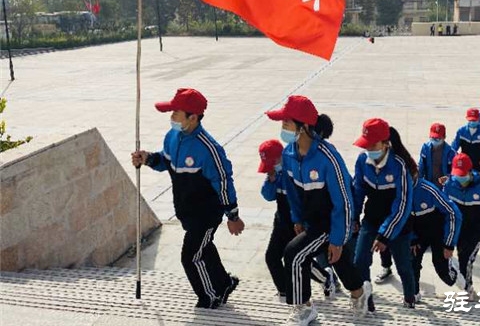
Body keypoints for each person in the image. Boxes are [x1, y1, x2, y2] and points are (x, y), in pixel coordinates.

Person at [131, 88, 243, 309]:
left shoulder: (209, 149)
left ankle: (209, 297)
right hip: (185, 210)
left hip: (206, 214)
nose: (171, 118)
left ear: (192, 118)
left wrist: (232, 215)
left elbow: (223, 182)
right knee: (204, 248)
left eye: (175, 113)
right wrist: (147, 159)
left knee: (191, 256)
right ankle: (225, 283)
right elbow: (165, 161)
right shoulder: (172, 136)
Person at [266, 95, 370, 325]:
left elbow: (343, 201)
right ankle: (360, 292)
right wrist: (297, 218)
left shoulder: (327, 158)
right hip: (310, 220)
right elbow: (292, 192)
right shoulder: (289, 154)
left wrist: (338, 238)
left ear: (303, 127)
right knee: (338, 262)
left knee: (293, 254)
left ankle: (304, 309)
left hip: (331, 221)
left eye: (286, 123)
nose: (282, 128)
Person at [259, 140, 337, 303]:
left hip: (297, 226)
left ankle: (325, 278)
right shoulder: (275, 174)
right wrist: (271, 179)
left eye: (272, 164)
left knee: (300, 261)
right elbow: (268, 196)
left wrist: (301, 222)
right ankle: (285, 291)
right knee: (271, 257)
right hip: (281, 222)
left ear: (280, 158)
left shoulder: (294, 171)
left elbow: (301, 201)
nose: (270, 168)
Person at [352, 118, 416, 308]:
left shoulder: (400, 166)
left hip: (398, 225)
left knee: (404, 266)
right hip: (371, 220)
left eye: (373, 144)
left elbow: (402, 205)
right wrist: (354, 217)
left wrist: (385, 235)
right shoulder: (363, 161)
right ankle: (367, 302)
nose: (369, 149)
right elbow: (358, 190)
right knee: (360, 262)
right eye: (366, 145)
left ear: (385, 144)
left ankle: (409, 300)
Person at [443, 153, 480, 301]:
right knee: (459, 255)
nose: (460, 178)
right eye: (457, 175)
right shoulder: (449, 185)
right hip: (458, 229)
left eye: (463, 175)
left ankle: (468, 288)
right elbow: (443, 208)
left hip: (476, 230)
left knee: (466, 259)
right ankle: (464, 283)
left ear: (470, 172)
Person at [410, 177, 461, 302]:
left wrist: (449, 244)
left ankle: (453, 268)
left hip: (437, 232)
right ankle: (414, 293)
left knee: (444, 273)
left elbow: (454, 213)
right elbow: (399, 215)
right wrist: (411, 238)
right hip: (416, 234)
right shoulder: (399, 190)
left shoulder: (429, 189)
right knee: (412, 263)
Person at [451, 108, 480, 181]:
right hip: (464, 163)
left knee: (475, 182)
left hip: (478, 163)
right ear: (467, 118)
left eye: (474, 120)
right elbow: (454, 146)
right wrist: (455, 157)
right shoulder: (461, 131)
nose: (472, 122)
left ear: (479, 119)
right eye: (470, 120)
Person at [418, 122, 455, 187]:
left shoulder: (451, 152)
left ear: (444, 137)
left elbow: (455, 172)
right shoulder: (425, 148)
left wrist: (448, 178)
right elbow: (421, 167)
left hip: (444, 187)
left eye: (438, 139)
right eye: (433, 138)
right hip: (429, 184)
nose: (435, 140)